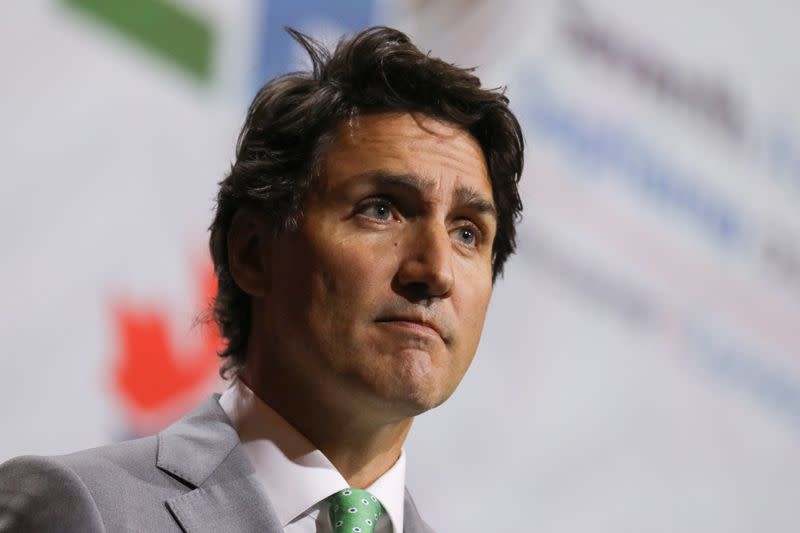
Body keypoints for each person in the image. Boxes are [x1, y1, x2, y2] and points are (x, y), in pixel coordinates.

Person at [0, 26, 523, 533]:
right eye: (381, 209)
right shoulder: (79, 509)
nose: (435, 270)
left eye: (469, 234)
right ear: (253, 251)